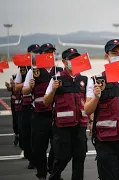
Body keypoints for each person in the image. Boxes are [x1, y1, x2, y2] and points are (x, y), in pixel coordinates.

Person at [84, 39, 119, 180]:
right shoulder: (96, 80)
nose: (118, 55)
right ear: (106, 56)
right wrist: (96, 97)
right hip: (106, 140)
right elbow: (87, 110)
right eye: (114, 53)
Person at [43, 48, 89, 180]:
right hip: (62, 126)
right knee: (63, 157)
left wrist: (91, 122)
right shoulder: (56, 79)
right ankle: (54, 177)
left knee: (80, 157)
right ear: (64, 61)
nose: (73, 61)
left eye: (76, 58)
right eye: (71, 59)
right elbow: (46, 101)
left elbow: (87, 101)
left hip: (80, 125)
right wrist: (53, 90)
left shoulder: (83, 79)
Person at [22, 43, 63, 180]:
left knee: (57, 148)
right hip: (39, 115)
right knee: (39, 148)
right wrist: (30, 86)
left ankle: (53, 170)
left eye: (52, 52)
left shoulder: (59, 71)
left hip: (55, 115)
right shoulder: (33, 71)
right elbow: (25, 91)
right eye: (46, 52)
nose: (50, 55)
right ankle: (41, 173)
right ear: (41, 55)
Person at [14, 44, 40, 169]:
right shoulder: (23, 68)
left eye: (38, 52)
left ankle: (37, 160)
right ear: (28, 53)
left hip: (39, 106)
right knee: (26, 134)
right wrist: (27, 84)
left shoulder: (42, 68)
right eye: (33, 52)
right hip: (26, 105)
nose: (36, 54)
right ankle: (30, 157)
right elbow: (16, 87)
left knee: (38, 135)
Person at [5, 74, 19, 146]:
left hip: (20, 102)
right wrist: (8, 86)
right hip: (14, 102)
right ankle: (17, 135)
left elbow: (16, 89)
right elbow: (10, 89)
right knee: (15, 121)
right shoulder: (14, 76)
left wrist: (14, 85)